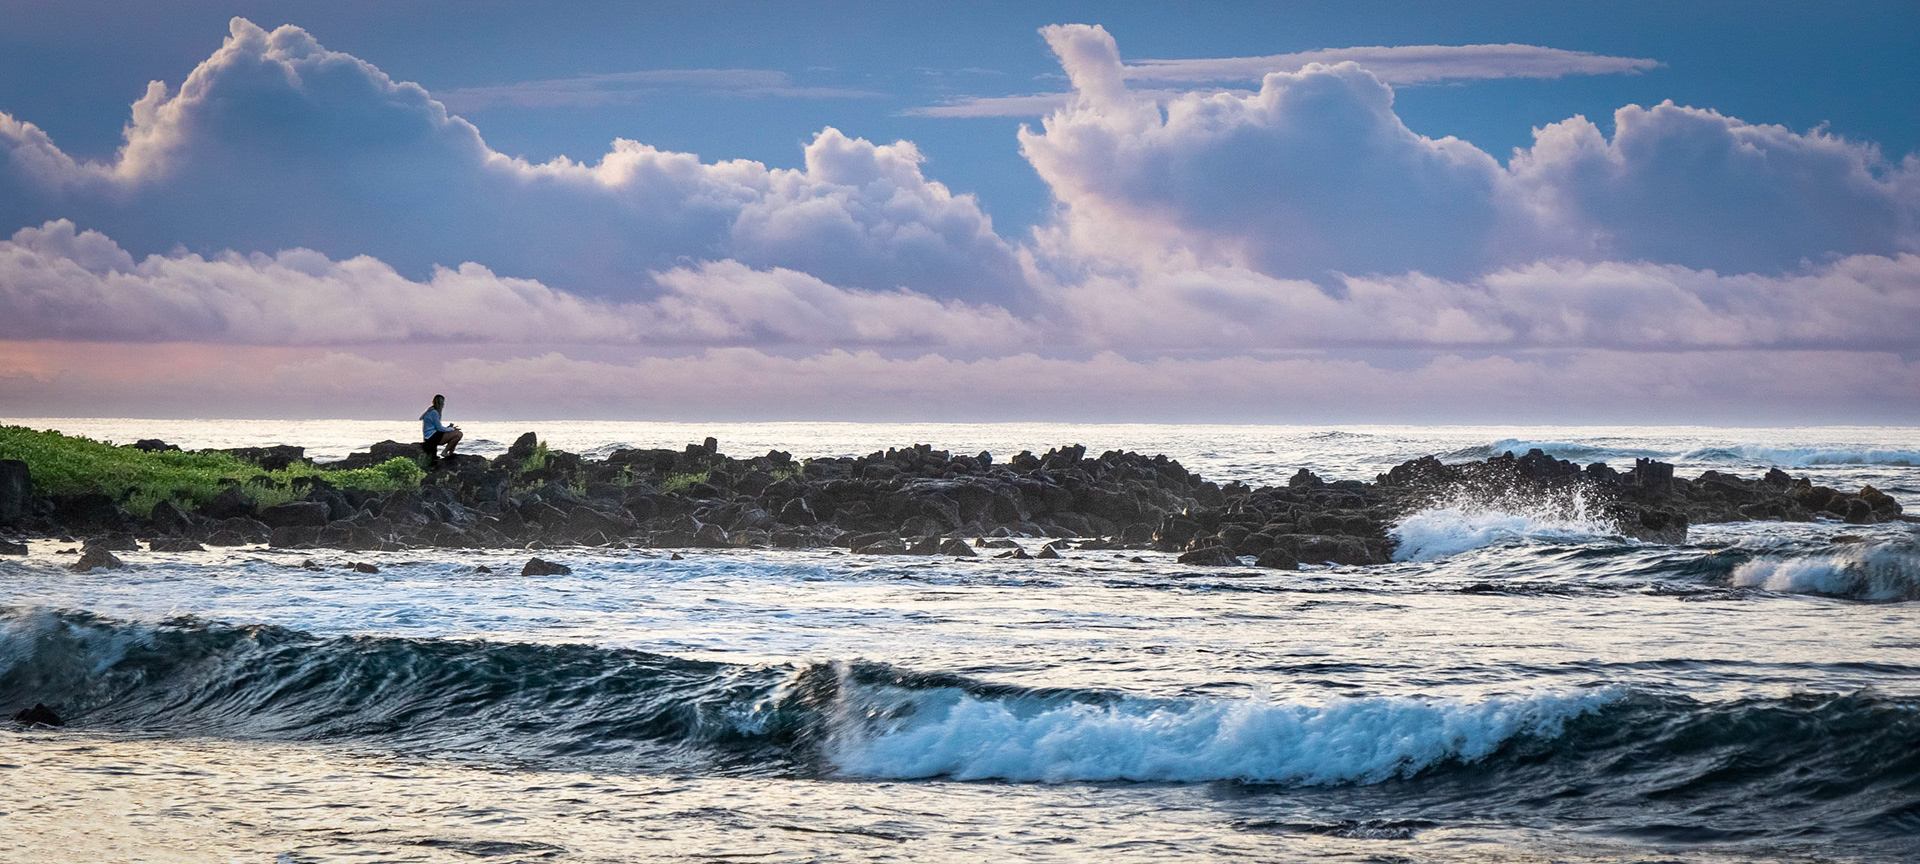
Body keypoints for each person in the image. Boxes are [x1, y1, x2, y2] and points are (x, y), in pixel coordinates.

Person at [420, 394, 462, 463]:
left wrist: (448, 429)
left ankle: (450, 453)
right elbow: (439, 428)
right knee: (459, 434)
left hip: (430, 436)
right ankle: (445, 452)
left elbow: (436, 427)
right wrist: (452, 429)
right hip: (432, 437)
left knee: (455, 433)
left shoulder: (429, 411)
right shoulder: (434, 413)